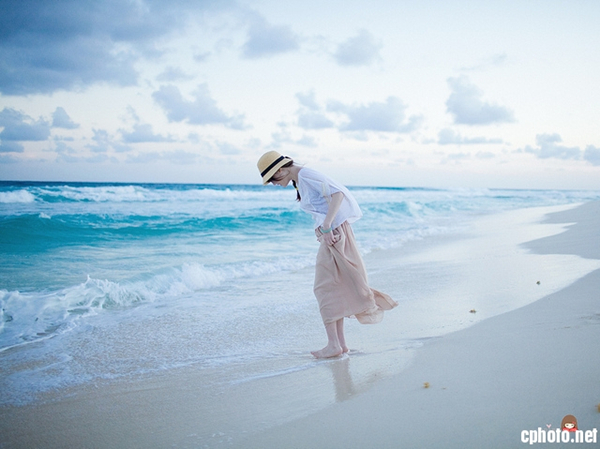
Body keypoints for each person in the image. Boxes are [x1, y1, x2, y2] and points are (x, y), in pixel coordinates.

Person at [257, 151, 398, 358]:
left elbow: (338, 194)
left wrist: (326, 225)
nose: (273, 184)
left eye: (272, 179)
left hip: (334, 234)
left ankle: (334, 345)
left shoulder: (305, 175)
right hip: (333, 234)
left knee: (324, 288)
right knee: (334, 287)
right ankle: (339, 345)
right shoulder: (301, 179)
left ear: (280, 170)